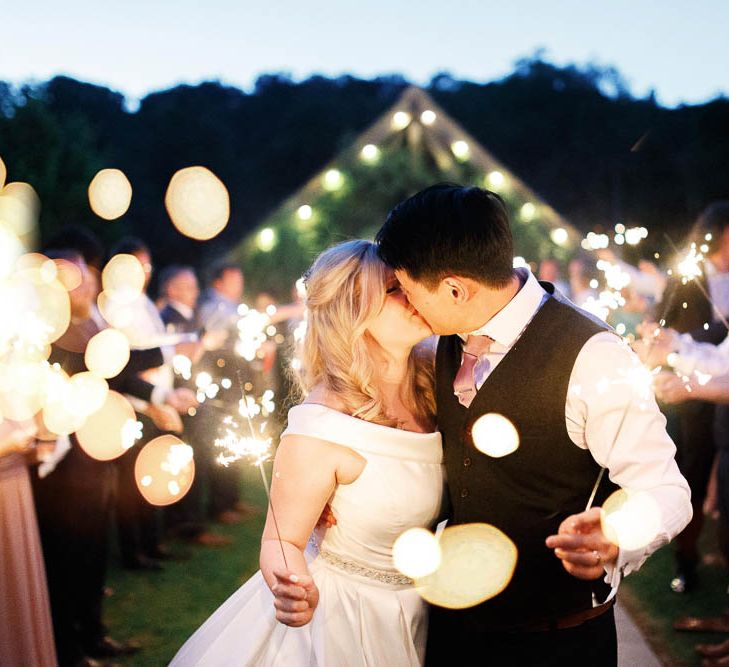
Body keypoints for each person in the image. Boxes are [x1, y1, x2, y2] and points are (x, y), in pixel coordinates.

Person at [375, 184, 692, 666]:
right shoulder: (442, 341)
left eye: (408, 289)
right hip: (454, 632)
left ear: (456, 288)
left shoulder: (594, 356)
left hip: (554, 641)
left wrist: (617, 536)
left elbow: (667, 489)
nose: (406, 303)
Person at [170, 240, 444, 666]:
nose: (415, 295)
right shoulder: (321, 424)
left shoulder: (441, 383)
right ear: (353, 311)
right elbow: (281, 539)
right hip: (345, 622)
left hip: (422, 615)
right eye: (394, 289)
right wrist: (292, 587)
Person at [650, 201, 729, 594]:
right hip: (695, 392)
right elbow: (663, 316)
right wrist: (670, 349)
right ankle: (686, 558)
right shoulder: (690, 274)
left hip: (710, 383)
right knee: (694, 475)